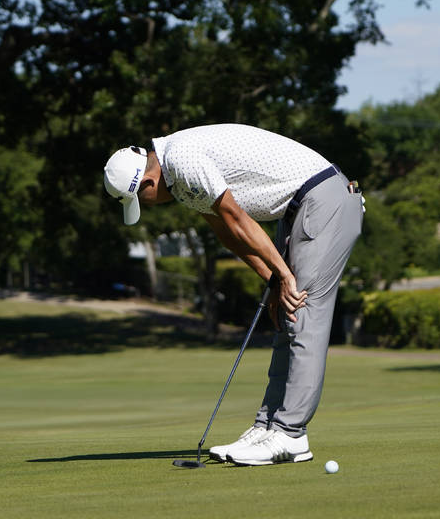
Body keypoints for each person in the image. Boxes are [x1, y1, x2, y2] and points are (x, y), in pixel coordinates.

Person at [103, 123, 363, 466]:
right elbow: (227, 233)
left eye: (142, 200)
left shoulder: (181, 160)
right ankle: (269, 425)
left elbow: (237, 217)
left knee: (302, 313)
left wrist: (284, 275)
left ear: (148, 183)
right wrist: (273, 279)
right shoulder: (179, 177)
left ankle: (291, 435)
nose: (149, 205)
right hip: (299, 210)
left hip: (323, 199)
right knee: (287, 316)